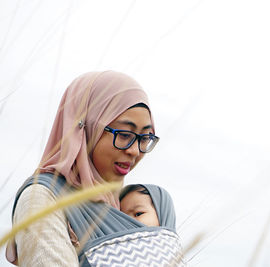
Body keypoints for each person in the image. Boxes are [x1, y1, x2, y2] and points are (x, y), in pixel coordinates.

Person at [6, 71, 185, 266]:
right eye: (125, 135)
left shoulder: (123, 204)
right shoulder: (42, 199)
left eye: (145, 138)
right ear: (84, 128)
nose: (135, 151)